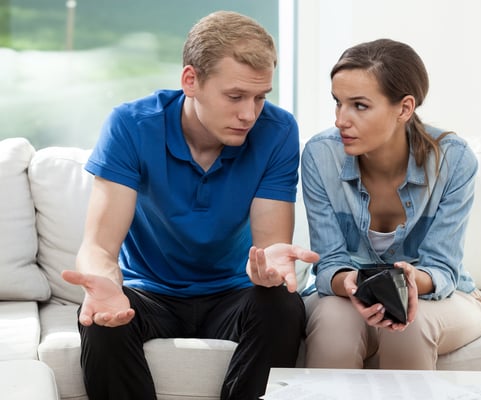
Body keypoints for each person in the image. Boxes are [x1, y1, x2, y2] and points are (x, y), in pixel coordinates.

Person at [61, 10, 319, 400]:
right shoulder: (131, 125)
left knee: (282, 305)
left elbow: (269, 251)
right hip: (149, 292)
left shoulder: (278, 131)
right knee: (102, 316)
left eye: (260, 97)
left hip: (233, 292)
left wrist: (267, 269)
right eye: (235, 96)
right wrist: (106, 285)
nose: (249, 113)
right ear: (190, 81)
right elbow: (99, 248)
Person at [301, 39, 481, 370]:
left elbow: (443, 267)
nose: (340, 120)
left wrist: (410, 281)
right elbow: (329, 262)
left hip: (438, 295)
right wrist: (351, 283)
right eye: (337, 102)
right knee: (333, 327)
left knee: (407, 324)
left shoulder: (454, 161)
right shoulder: (320, 156)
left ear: (404, 108)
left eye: (359, 105)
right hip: (346, 293)